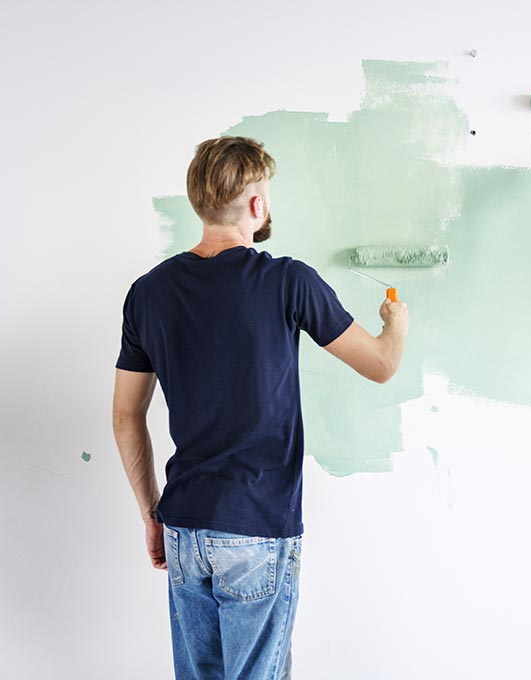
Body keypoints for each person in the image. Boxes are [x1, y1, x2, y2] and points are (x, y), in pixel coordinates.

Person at [112, 136, 409, 679]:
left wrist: (151, 510)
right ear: (256, 205)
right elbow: (381, 365)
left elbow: (127, 414)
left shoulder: (147, 293)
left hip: (184, 528)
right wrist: (397, 326)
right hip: (256, 529)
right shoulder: (287, 281)